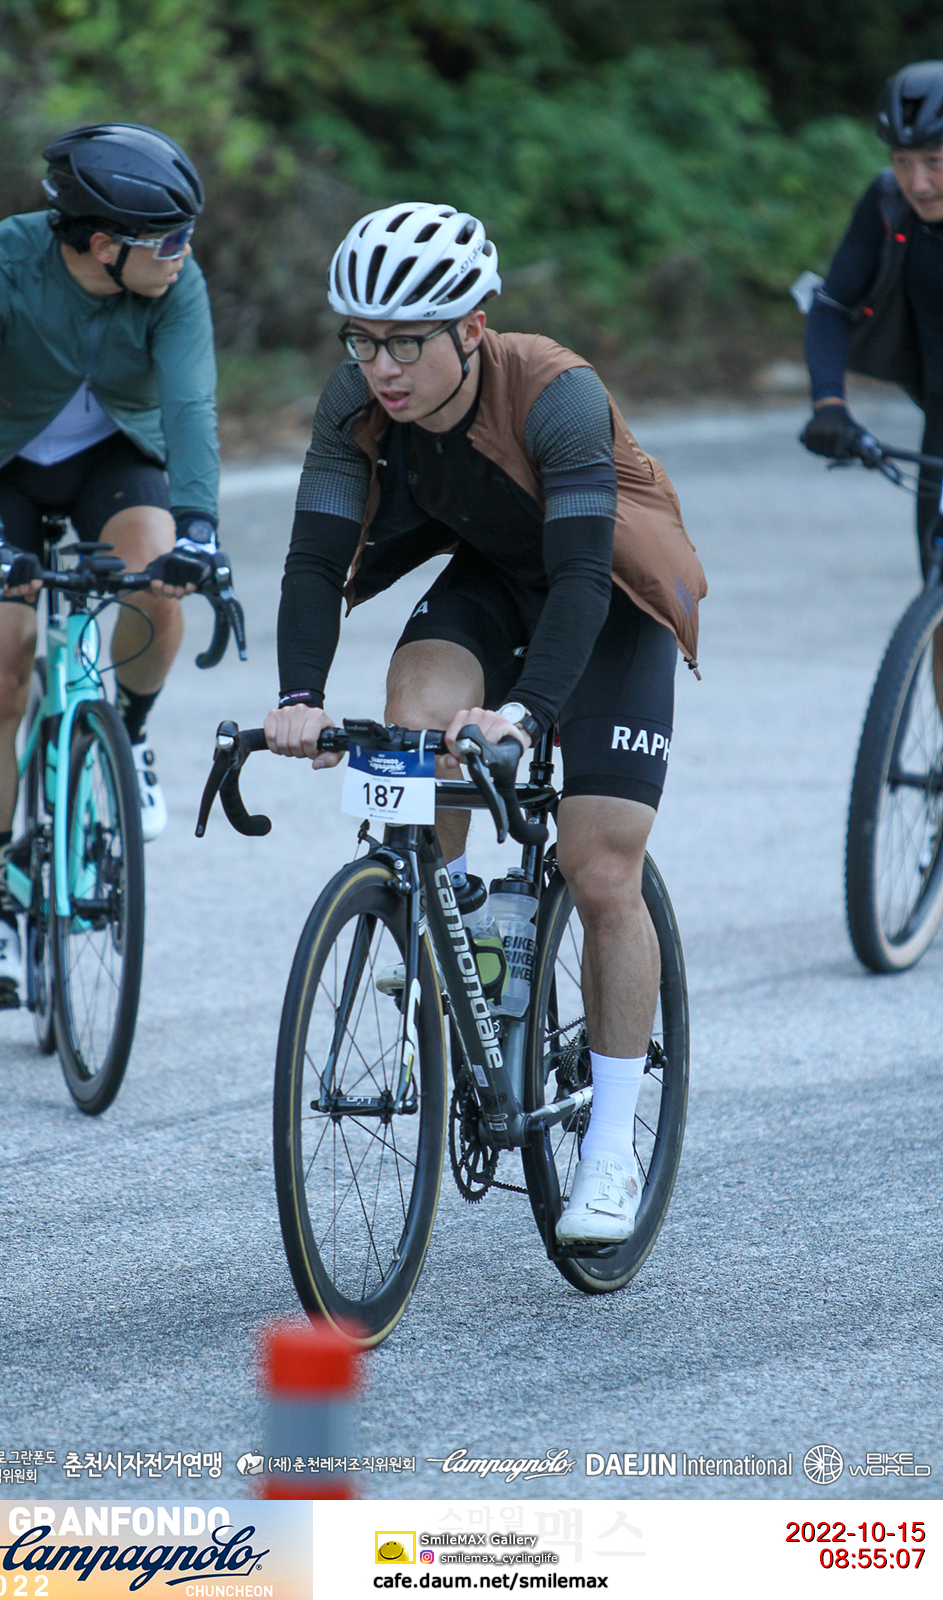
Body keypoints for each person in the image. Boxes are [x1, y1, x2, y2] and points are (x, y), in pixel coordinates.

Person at [265, 203, 706, 1245]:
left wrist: (523, 715)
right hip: (491, 581)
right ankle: (453, 914)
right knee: (413, 716)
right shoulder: (354, 400)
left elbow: (582, 577)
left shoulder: (557, 392)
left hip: (606, 597)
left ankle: (610, 1144)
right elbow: (316, 558)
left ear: (470, 329)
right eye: (361, 340)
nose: (381, 368)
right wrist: (297, 698)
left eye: (405, 342)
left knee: (600, 867)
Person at [0, 122, 225, 1010]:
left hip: (117, 456)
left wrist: (200, 527)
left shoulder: (174, 285)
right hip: (2, 471)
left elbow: (190, 405)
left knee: (159, 583)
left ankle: (127, 736)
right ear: (105, 246)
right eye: (168, 240)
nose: (184, 254)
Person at [801, 60, 943, 575]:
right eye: (902, 161)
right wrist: (830, 405)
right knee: (937, 587)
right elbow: (831, 306)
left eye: (934, 161)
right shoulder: (888, 206)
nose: (918, 183)